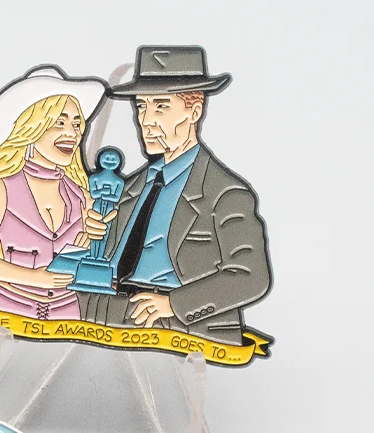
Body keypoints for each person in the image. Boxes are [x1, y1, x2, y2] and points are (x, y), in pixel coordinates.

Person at [80, 46, 272, 346]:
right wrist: (90, 234)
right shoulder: (129, 188)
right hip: (106, 316)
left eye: (161, 106)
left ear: (195, 111)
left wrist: (174, 304)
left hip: (184, 327)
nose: (146, 120)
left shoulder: (226, 193)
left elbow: (251, 276)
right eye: (141, 107)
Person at [0, 67, 115, 322]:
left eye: (77, 124)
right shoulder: (0, 190)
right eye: (59, 123)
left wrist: (99, 236)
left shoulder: (81, 194)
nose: (72, 133)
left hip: (68, 315)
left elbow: (95, 260)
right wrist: (34, 278)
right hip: (8, 312)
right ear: (33, 128)